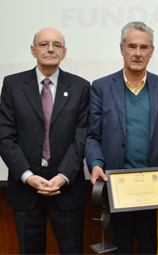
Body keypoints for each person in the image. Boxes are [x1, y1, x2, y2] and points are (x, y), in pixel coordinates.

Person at [85, 21, 158, 254]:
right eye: (132, 46)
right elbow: (92, 136)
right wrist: (96, 164)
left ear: (152, 51)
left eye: (144, 47)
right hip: (117, 189)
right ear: (121, 49)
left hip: (156, 189)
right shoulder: (100, 87)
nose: (137, 53)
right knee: (120, 249)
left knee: (152, 249)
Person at [0, 27, 89, 254]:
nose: (50, 49)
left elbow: (81, 137)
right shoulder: (12, 85)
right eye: (43, 44)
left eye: (57, 45)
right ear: (33, 50)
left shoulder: (80, 87)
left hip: (66, 189)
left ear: (64, 52)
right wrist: (28, 177)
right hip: (25, 189)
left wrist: (63, 177)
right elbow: (5, 136)